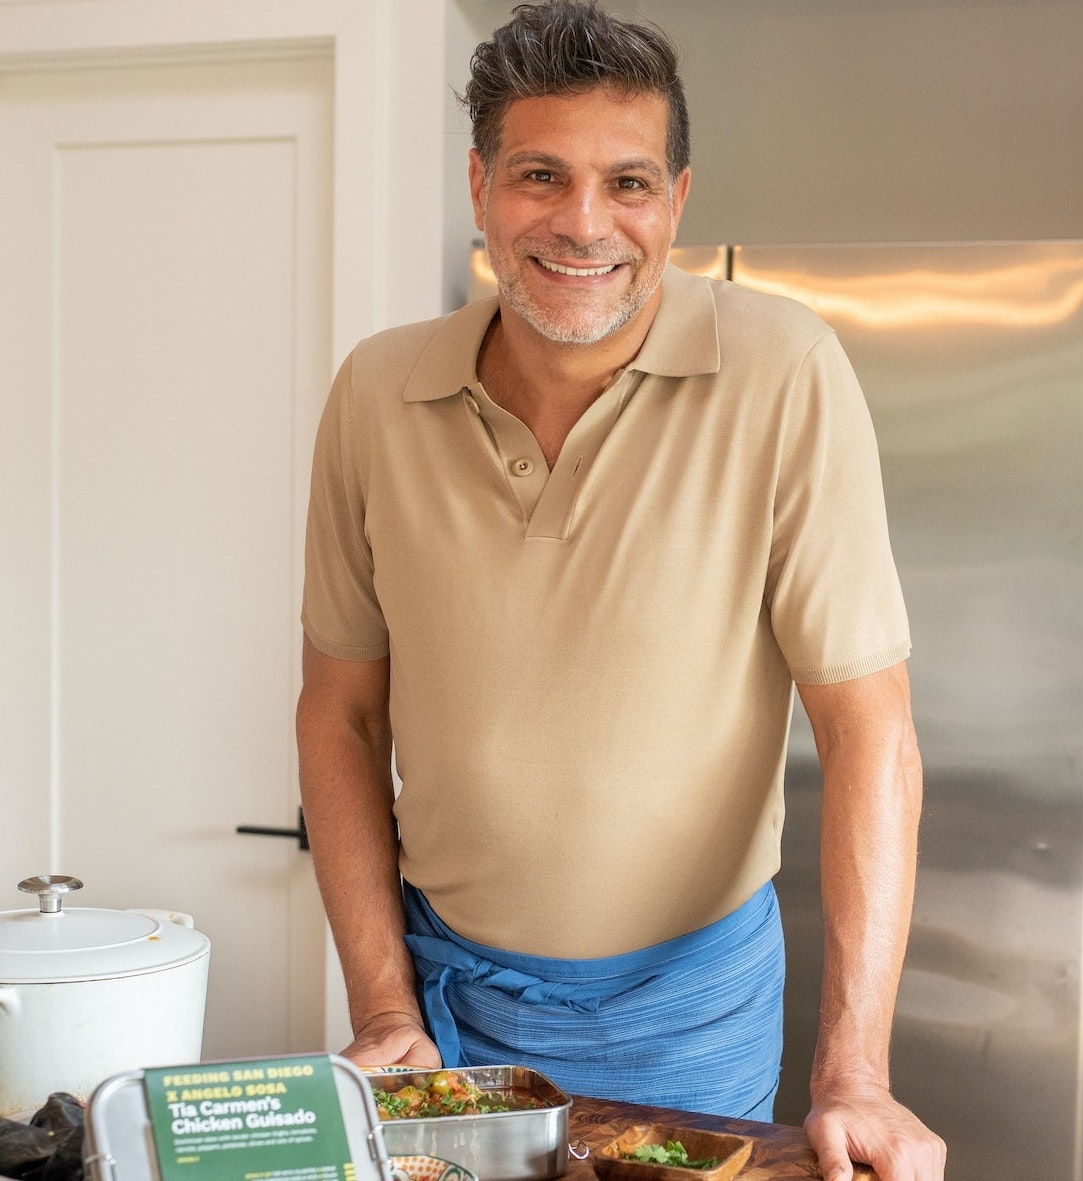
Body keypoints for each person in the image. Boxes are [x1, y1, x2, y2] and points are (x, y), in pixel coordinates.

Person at [296, 2, 945, 1178]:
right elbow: (338, 711)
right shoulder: (375, 390)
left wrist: (854, 1070)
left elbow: (870, 730)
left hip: (685, 1011)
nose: (583, 223)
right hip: (445, 1000)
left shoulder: (782, 369)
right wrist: (385, 1000)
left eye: (627, 183)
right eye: (541, 175)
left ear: (676, 199)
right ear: (481, 185)